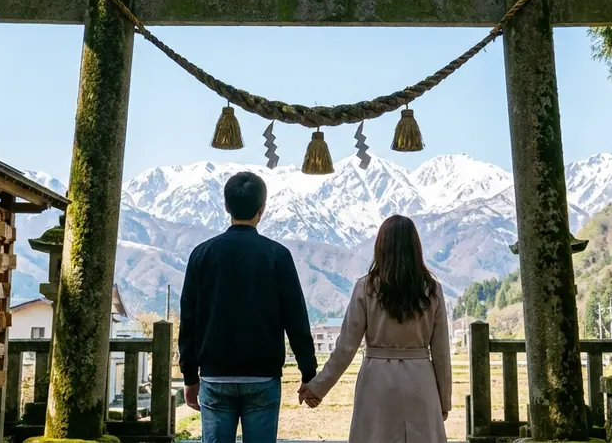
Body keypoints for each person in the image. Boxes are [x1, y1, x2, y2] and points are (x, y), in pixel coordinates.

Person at [178, 171, 317, 443]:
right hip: (262, 376)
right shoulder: (277, 255)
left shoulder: (202, 254)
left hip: (215, 375)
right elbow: (296, 319)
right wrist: (308, 372)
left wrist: (189, 376)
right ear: (261, 209)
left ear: (226, 207)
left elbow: (189, 321)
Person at [298, 214, 452, 443]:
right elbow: (441, 352)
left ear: (380, 247)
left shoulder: (366, 287)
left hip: (377, 383)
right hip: (422, 383)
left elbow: (345, 348)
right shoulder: (431, 289)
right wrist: (444, 400)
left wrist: (317, 387)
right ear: (415, 247)